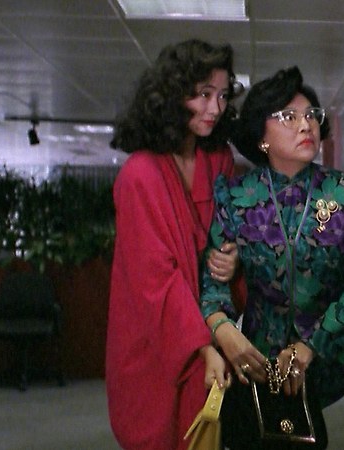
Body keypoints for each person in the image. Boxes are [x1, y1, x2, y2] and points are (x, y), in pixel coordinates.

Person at [200, 66, 344, 450]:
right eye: (288, 116)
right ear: (261, 136)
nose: (306, 125)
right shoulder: (235, 197)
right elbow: (213, 284)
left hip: (327, 354)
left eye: (312, 115)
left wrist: (310, 345)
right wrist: (224, 331)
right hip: (255, 360)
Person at [106, 39, 242, 450]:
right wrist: (201, 348)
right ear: (172, 95)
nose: (215, 108)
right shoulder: (139, 175)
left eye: (222, 96)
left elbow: (233, 233)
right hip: (157, 341)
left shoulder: (219, 161)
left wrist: (234, 258)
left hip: (211, 330)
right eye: (203, 94)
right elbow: (154, 280)